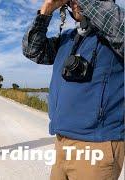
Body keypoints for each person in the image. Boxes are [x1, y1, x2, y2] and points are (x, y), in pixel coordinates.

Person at [22, 0, 124, 179]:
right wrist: (46, 11)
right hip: (62, 141)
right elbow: (33, 50)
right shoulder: (68, 37)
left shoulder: (115, 36)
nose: (74, 3)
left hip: (97, 144)